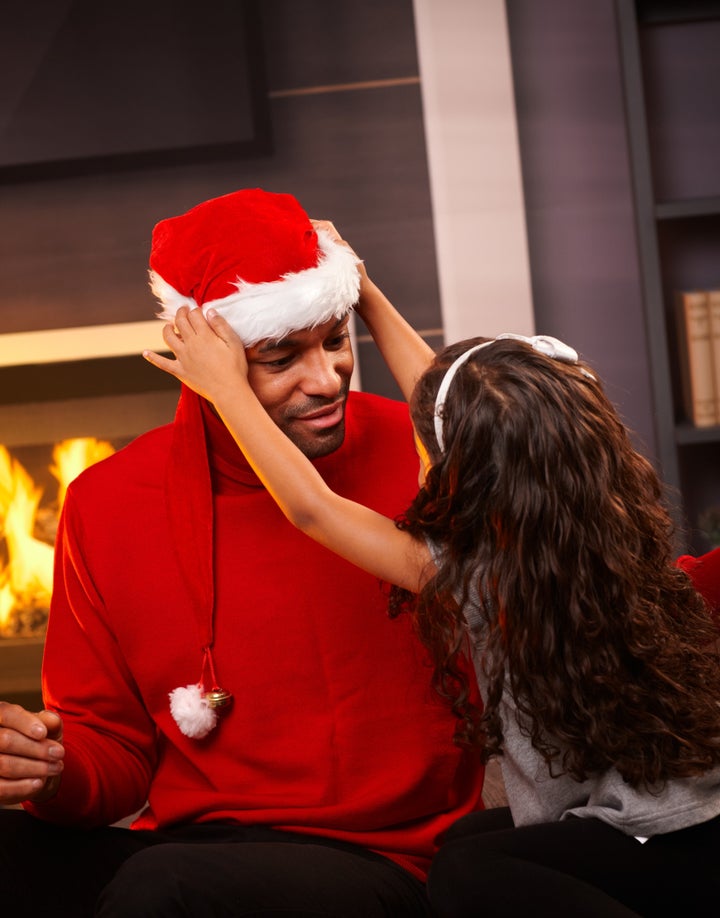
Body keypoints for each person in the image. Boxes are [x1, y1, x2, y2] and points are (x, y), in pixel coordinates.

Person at [143, 219, 720, 917]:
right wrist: (358, 287)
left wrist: (226, 389)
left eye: (429, 450)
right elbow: (445, 396)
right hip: (697, 812)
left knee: (463, 877)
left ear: (467, 474)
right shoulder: (598, 526)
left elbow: (314, 510)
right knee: (469, 842)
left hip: (656, 841)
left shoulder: (485, 575)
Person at [0, 190, 485, 918]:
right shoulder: (105, 504)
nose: (325, 380)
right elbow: (115, 754)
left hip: (386, 857)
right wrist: (48, 768)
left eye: (334, 339)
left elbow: (335, 493)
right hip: (192, 847)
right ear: (209, 362)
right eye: (281, 356)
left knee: (166, 889)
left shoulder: (425, 458)